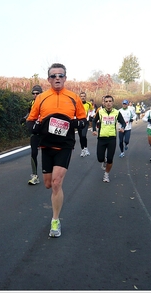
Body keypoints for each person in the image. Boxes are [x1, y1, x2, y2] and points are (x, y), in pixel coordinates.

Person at [26, 63, 87, 238]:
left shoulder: (73, 98)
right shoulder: (42, 98)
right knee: (47, 184)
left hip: (65, 145)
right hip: (46, 145)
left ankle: (55, 220)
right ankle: (55, 210)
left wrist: (74, 123)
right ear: (49, 79)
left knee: (56, 183)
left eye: (60, 75)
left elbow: (83, 120)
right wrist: (35, 128)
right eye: (53, 76)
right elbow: (31, 120)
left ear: (65, 78)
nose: (57, 78)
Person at [92, 95, 126, 183]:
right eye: (106, 101)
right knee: (100, 158)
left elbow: (123, 122)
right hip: (102, 138)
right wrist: (94, 130)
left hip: (112, 138)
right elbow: (94, 121)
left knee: (110, 159)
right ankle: (104, 160)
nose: (108, 103)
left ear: (113, 102)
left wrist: (122, 127)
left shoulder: (116, 112)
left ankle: (106, 175)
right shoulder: (100, 112)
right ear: (104, 103)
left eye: (110, 101)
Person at [22, 85, 43, 185]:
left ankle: (51, 173)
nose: (35, 95)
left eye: (37, 93)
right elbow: (29, 113)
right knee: (34, 153)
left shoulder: (46, 102)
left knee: (48, 153)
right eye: (33, 93)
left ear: (41, 93)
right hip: (35, 131)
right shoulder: (32, 103)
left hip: (45, 132)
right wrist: (24, 118)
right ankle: (35, 176)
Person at [78, 91, 93, 157]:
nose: (83, 97)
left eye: (84, 96)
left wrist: (90, 116)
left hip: (85, 121)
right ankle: (83, 150)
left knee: (84, 135)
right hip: (78, 122)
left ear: (85, 97)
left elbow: (92, 110)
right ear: (79, 97)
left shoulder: (89, 104)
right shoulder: (77, 104)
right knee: (80, 136)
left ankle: (86, 148)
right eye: (81, 96)